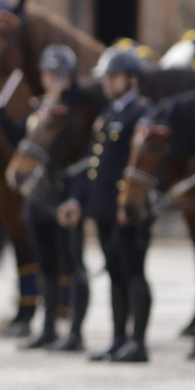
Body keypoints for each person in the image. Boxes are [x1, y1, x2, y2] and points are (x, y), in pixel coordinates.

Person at [64, 46, 153, 363]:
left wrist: (130, 205)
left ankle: (138, 342)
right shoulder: (109, 115)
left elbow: (143, 166)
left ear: (132, 80)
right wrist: (78, 198)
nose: (107, 83)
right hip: (103, 209)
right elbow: (93, 164)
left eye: (113, 77)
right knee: (115, 274)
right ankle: (118, 339)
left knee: (133, 273)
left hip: (128, 210)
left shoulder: (142, 114)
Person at [21, 44, 89, 352]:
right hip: (40, 195)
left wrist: (75, 198)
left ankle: (74, 331)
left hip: (66, 195)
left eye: (57, 74)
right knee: (45, 263)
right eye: (48, 74)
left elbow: (82, 158)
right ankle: (47, 327)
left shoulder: (78, 112)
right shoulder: (40, 108)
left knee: (73, 263)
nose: (51, 80)